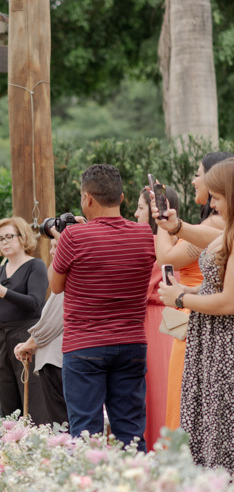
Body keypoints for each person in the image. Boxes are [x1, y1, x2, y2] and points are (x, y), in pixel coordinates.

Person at [49, 164, 155, 451]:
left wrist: (61, 246)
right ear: (121, 198)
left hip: (84, 346)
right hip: (132, 343)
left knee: (86, 435)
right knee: (131, 435)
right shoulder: (145, 235)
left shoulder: (73, 238)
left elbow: (56, 285)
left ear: (87, 199)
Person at [158, 157, 234, 472]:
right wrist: (175, 227)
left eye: (217, 197)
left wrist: (182, 297)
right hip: (210, 340)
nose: (212, 204)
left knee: (219, 428)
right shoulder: (227, 230)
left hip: (222, 343)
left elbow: (229, 302)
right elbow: (212, 242)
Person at [0, 216, 48, 417]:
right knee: (7, 402)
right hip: (2, 339)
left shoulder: (35, 266)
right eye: (0, 239)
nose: (3, 242)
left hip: (27, 336)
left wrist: (0, 290)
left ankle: (38, 445)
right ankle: (12, 444)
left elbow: (35, 303)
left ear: (22, 237)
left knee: (33, 398)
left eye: (8, 237)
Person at [134, 185, 180, 449]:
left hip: (151, 319)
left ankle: (154, 450)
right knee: (168, 388)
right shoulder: (180, 241)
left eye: (141, 208)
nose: (136, 214)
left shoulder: (148, 243)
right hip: (175, 316)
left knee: (152, 391)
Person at [12, 238, 68, 426]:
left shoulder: (68, 280)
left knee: (61, 421)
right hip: (54, 359)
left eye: (56, 247)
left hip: (57, 360)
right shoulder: (61, 281)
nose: (51, 252)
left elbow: (53, 321)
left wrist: (30, 344)